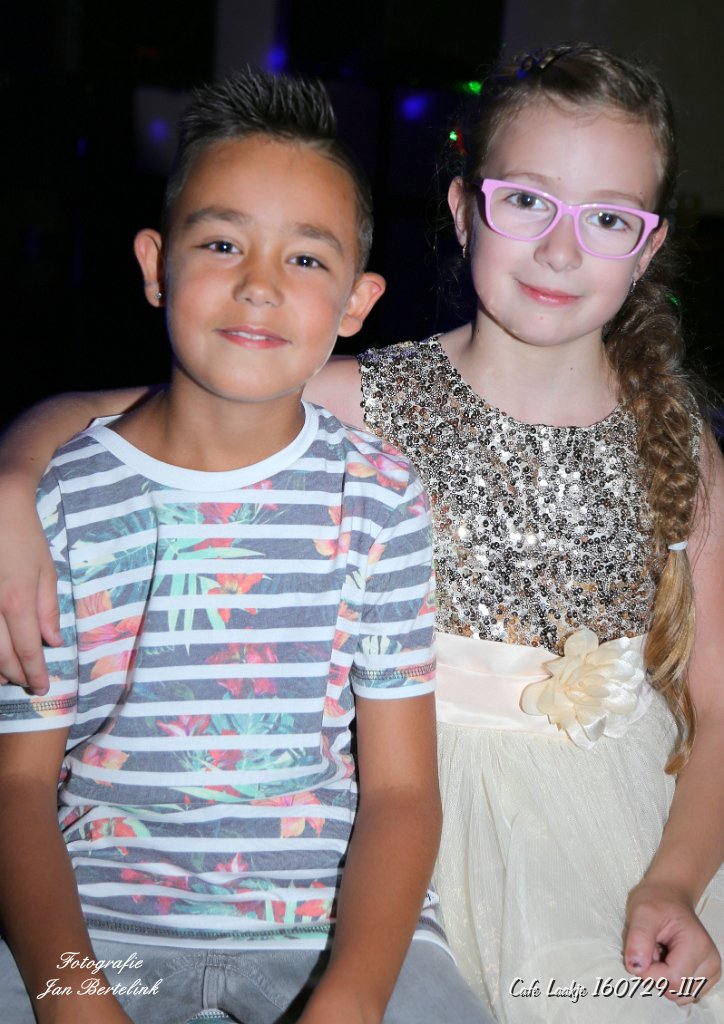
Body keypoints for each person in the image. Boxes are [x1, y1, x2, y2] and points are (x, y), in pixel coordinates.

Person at [0, 42, 722, 1024]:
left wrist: (675, 879)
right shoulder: (360, 396)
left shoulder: (675, 439)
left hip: (609, 832)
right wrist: (13, 481)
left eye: (606, 218)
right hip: (393, 822)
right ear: (464, 209)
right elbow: (117, 419)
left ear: (647, 242)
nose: (561, 250)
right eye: (525, 201)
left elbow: (716, 701)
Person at [0, 68, 491, 1024]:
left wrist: (352, 996)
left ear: (356, 303)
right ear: (156, 266)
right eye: (223, 243)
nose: (260, 284)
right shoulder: (54, 503)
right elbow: (18, 785)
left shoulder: (379, 496)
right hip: (101, 915)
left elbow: (402, 793)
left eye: (305, 259)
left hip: (321, 921)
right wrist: (74, 999)